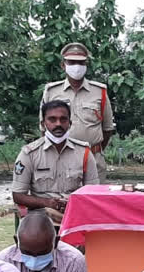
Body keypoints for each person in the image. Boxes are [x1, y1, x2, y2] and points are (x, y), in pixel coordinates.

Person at [12, 100, 99, 223]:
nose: (58, 124)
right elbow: (18, 195)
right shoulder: (29, 154)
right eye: (52, 119)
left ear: (70, 123)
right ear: (43, 123)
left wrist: (74, 203)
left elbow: (93, 192)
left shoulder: (84, 152)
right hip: (41, 217)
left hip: (75, 216)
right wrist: (47, 203)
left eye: (63, 119)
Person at [40, 42, 114, 182]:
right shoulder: (51, 91)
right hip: (60, 159)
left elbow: (107, 129)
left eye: (81, 63)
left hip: (93, 159)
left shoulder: (100, 91)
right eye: (72, 62)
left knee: (94, 201)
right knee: (62, 201)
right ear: (63, 65)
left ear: (86, 65)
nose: (77, 67)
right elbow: (44, 128)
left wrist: (92, 149)